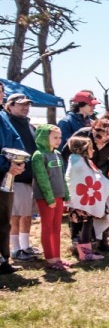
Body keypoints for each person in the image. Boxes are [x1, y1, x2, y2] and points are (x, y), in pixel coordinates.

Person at [63, 118, 109, 252]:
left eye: (106, 138)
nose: (100, 140)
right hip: (81, 181)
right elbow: (66, 152)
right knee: (80, 211)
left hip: (100, 178)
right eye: (97, 136)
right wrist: (77, 171)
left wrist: (104, 170)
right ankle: (78, 242)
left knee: (103, 210)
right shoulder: (82, 134)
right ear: (93, 129)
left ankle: (103, 242)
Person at [3, 93, 40, 262]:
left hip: (30, 177)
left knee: (27, 214)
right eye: (21, 104)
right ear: (10, 106)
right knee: (15, 215)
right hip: (15, 177)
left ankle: (25, 245)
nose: (26, 107)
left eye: (27, 104)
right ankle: (16, 249)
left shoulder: (29, 125)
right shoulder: (7, 124)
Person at [65, 136, 109, 261]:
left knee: (87, 226)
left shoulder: (80, 161)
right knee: (86, 226)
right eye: (90, 148)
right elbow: (81, 181)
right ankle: (85, 253)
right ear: (83, 149)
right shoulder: (78, 163)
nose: (93, 150)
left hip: (83, 201)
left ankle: (86, 251)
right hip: (82, 203)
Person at [32, 124, 71, 270]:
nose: (58, 140)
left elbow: (62, 176)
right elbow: (42, 179)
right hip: (46, 198)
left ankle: (57, 257)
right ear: (44, 137)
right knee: (47, 227)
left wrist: (66, 194)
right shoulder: (38, 155)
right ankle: (50, 259)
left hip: (59, 196)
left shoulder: (58, 154)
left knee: (57, 227)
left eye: (60, 137)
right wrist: (49, 198)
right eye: (55, 137)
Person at [0, 82, 27, 274]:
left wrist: (19, 162)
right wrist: (5, 164)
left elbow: (16, 141)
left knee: (4, 220)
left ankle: (3, 259)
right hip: (4, 168)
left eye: (1, 91)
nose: (1, 94)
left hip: (6, 176)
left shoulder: (2, 115)